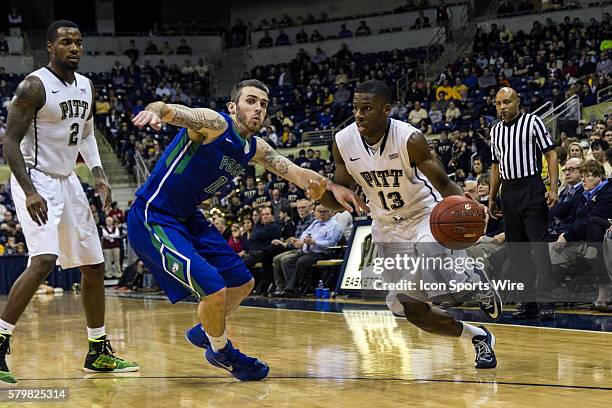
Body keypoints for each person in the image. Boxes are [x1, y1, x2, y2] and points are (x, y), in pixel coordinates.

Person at [129, 79, 365, 381]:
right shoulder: (215, 124)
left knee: (242, 282)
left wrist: (330, 186)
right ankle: (222, 351)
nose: (258, 108)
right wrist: (155, 111)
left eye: (263, 104)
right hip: (153, 214)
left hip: (188, 217)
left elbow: (294, 172)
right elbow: (175, 112)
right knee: (213, 288)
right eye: (251, 101)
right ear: (233, 106)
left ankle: (206, 330)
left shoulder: (255, 147)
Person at [317, 80, 502, 369]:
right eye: (355, 108)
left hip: (424, 217)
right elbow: (338, 196)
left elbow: (442, 183)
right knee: (412, 310)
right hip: (386, 227)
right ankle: (478, 336)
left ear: (386, 110)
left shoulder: (409, 138)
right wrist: (322, 193)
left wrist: (470, 212)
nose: (359, 114)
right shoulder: (343, 141)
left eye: (367, 108)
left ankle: (475, 282)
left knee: (439, 271)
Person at [0, 20, 139, 384]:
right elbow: (10, 144)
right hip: (36, 177)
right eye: (65, 42)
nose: (74, 48)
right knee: (44, 260)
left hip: (68, 180)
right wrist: (29, 190)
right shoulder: (33, 86)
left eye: (78, 42)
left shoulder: (86, 86)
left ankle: (98, 351)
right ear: (50, 46)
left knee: (93, 265)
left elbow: (88, 132)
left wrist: (99, 173)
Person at [488, 87, 558, 320]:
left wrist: (554, 187)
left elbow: (551, 153)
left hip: (531, 187)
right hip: (508, 191)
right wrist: (491, 196)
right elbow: (496, 165)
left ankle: (547, 301)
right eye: (498, 104)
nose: (502, 107)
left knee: (538, 248)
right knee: (518, 251)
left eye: (507, 102)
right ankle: (527, 303)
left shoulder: (533, 122)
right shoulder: (495, 130)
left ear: (517, 102)